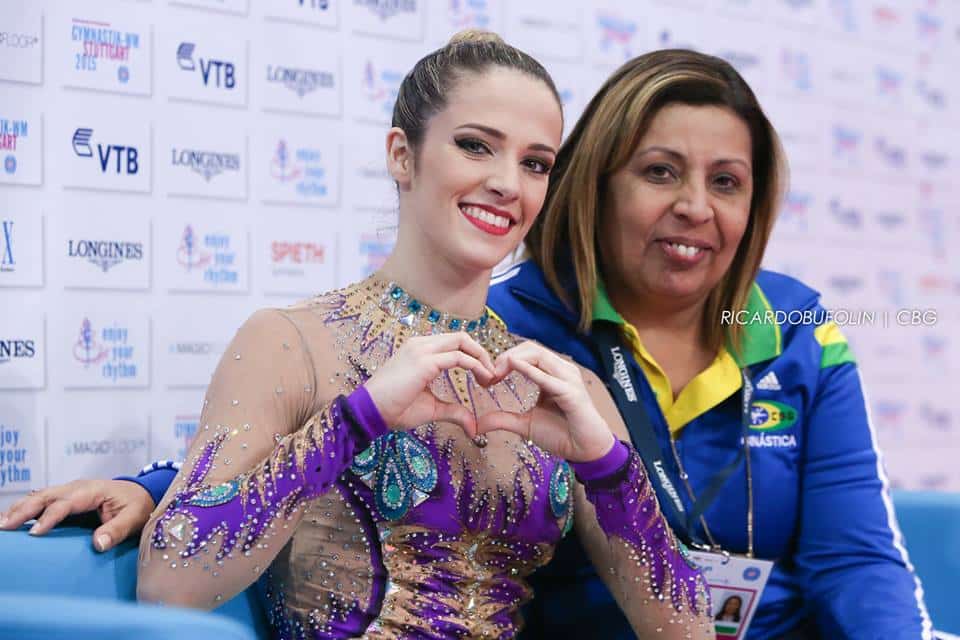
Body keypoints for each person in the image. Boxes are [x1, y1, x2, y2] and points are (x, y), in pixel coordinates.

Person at [1, 47, 931, 639]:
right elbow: (176, 581)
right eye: (476, 147)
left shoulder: (550, 369)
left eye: (534, 162)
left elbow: (687, 628)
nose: (506, 184)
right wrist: (354, 420)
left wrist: (606, 464)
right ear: (403, 155)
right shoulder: (291, 340)